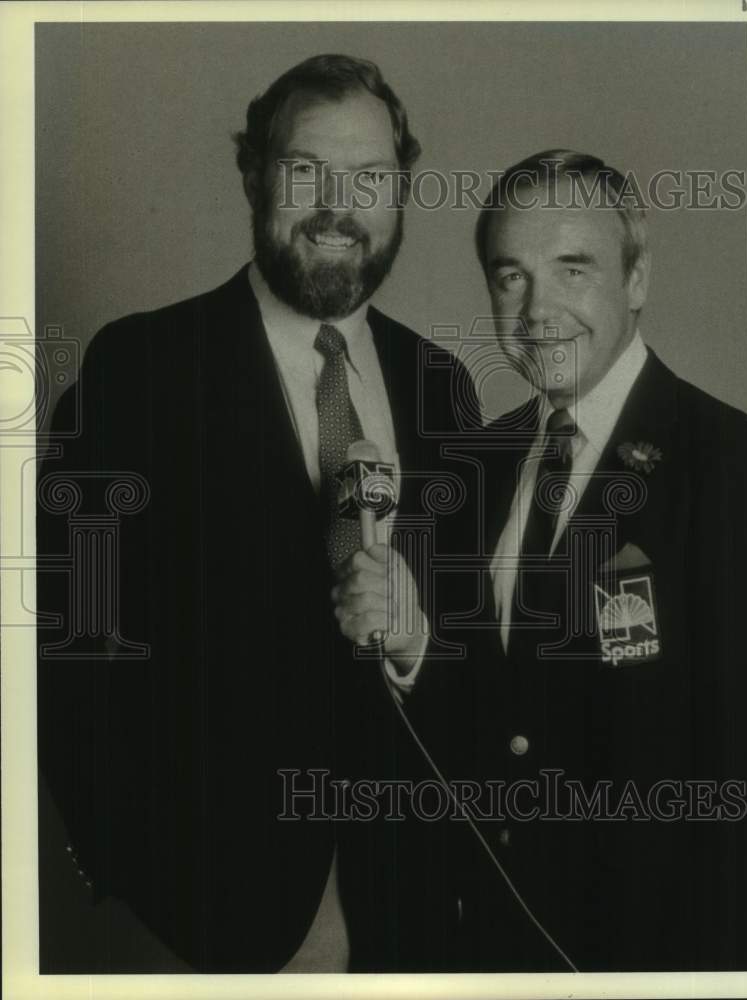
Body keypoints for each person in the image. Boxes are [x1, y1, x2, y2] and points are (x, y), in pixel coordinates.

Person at [36, 54, 478, 974]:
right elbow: (66, 645)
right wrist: (136, 869)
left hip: (415, 912)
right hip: (210, 914)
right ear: (252, 176)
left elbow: (474, 655)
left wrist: (415, 648)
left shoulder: (444, 387)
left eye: (369, 177)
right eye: (305, 170)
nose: (337, 207)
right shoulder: (139, 371)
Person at [335, 150, 747, 971]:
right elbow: (490, 735)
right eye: (511, 278)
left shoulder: (733, 467)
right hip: (484, 956)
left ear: (636, 278)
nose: (538, 311)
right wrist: (414, 647)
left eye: (573, 269)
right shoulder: (468, 473)